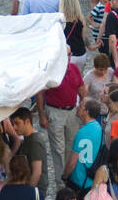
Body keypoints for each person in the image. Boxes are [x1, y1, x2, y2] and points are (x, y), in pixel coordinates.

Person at [36, 59, 85, 189]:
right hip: (55, 111)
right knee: (58, 149)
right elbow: (40, 93)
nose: (67, 57)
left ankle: (70, 177)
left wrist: (82, 103)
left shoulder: (73, 68)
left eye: (69, 54)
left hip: (72, 112)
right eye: (65, 54)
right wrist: (42, 115)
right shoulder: (51, 70)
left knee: (72, 146)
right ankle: (61, 183)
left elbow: (81, 88)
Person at [9, 105, 49, 196]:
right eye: (13, 124)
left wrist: (27, 194)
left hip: (36, 190)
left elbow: (37, 172)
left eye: (17, 123)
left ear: (27, 121)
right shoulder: (27, 138)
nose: (14, 127)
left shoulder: (35, 141)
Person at [60, 0, 91, 71]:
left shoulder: (60, 22)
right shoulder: (81, 20)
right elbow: (83, 38)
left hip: (68, 55)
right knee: (79, 79)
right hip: (80, 54)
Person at [85, 52, 115, 117]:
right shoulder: (88, 77)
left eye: (106, 69)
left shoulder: (111, 72)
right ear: (95, 67)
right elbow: (84, 95)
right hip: (96, 111)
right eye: (101, 70)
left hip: (110, 110)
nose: (104, 72)